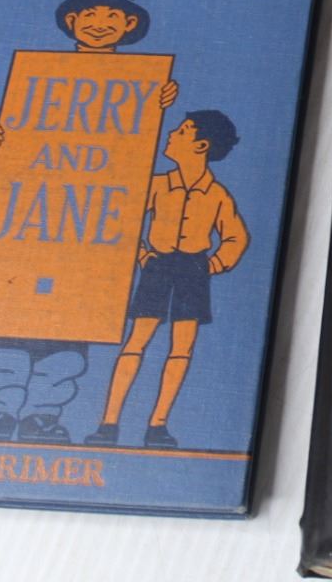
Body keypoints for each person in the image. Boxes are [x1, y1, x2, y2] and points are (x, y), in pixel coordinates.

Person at [0, 0, 178, 445]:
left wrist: (155, 105)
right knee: (1, 318)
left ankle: (43, 414)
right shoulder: (38, 78)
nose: (100, 24)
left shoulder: (140, 86)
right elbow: (18, 135)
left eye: (112, 17)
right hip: (26, 218)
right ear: (73, 21)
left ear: (128, 27)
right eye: (90, 15)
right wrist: (2, 141)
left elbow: (130, 153)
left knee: (68, 323)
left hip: (87, 229)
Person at [85, 110, 248, 448]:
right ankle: (109, 423)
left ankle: (157, 425)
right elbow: (127, 219)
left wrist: (213, 265)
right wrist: (143, 255)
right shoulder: (158, 184)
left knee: (181, 348)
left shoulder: (216, 194)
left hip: (193, 270)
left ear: (201, 145)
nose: (172, 134)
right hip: (157, 268)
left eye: (183, 131)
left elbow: (236, 237)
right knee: (136, 341)